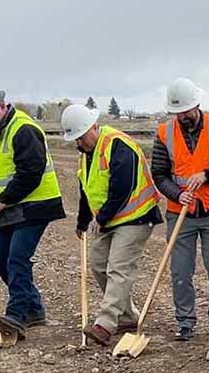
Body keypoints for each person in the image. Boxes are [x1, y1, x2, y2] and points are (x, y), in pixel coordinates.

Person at [61, 104, 162, 346]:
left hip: (136, 215)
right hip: (109, 219)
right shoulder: (86, 153)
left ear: (93, 127)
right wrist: (82, 221)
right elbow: (87, 188)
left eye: (82, 137)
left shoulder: (118, 144)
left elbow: (123, 188)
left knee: (119, 268)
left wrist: (102, 217)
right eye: (75, 139)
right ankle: (127, 316)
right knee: (98, 266)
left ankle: (105, 325)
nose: (79, 143)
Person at [0, 85, 65, 341]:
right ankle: (34, 309)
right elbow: (1, 175)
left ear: (3, 106)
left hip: (36, 205)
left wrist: (4, 200)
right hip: (11, 207)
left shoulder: (23, 129)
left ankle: (16, 316)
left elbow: (31, 173)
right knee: (2, 261)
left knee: (17, 259)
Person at [151, 77, 209, 341]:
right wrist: (177, 194)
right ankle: (185, 321)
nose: (182, 117)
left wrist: (207, 175)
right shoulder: (164, 133)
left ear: (197, 105)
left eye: (186, 112)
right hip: (180, 214)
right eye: (177, 113)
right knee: (180, 271)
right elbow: (159, 174)